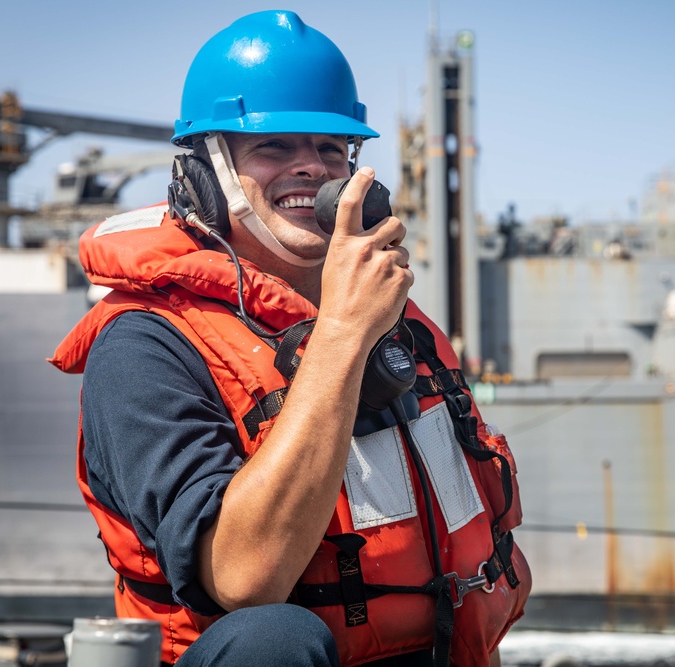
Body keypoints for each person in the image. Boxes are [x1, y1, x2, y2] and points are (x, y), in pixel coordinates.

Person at [50, 10, 530, 667]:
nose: (311, 167)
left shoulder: (405, 324)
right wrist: (342, 334)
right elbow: (245, 579)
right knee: (273, 638)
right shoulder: (144, 346)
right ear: (206, 171)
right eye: (274, 147)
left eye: (331, 149)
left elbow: (460, 567)